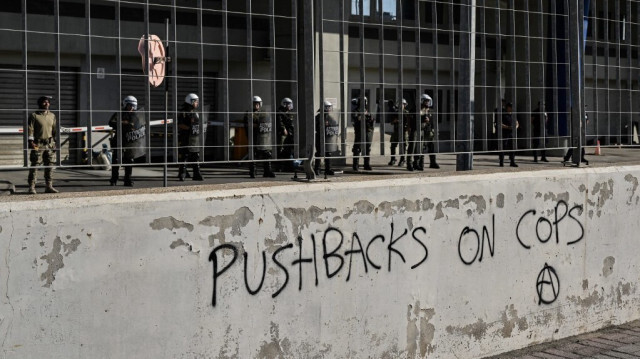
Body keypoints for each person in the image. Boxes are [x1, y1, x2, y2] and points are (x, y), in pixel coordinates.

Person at [108, 95, 147, 186]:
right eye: (129, 105)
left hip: (130, 141)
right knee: (116, 160)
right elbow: (110, 122)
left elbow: (138, 125)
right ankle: (114, 179)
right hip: (119, 139)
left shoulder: (135, 115)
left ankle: (127, 179)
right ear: (125, 105)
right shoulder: (119, 113)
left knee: (129, 160)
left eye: (133, 106)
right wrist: (123, 123)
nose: (131, 107)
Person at [27, 96, 58, 194]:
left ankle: (49, 186)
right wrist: (31, 142)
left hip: (49, 144)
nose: (47, 104)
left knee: (50, 165)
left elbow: (54, 130)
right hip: (38, 144)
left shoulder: (52, 116)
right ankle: (32, 187)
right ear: (40, 103)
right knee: (35, 165)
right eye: (44, 102)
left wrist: (55, 143)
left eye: (48, 102)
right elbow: (30, 129)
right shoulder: (34, 115)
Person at [245, 95, 275, 178]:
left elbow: (267, 122)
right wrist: (258, 125)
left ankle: (267, 171)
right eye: (254, 104)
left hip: (263, 137)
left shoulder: (264, 113)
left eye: (258, 104)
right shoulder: (249, 113)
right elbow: (249, 125)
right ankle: (253, 171)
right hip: (253, 136)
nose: (256, 105)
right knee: (253, 154)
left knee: (267, 153)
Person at [177, 93, 204, 181]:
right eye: (196, 101)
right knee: (184, 155)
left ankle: (196, 173)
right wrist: (189, 128)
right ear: (191, 101)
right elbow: (180, 125)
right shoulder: (184, 112)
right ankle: (182, 173)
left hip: (194, 138)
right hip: (185, 137)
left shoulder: (196, 112)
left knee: (195, 155)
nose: (197, 103)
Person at [314, 100, 340, 176]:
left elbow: (334, 125)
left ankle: (328, 169)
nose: (328, 109)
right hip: (320, 137)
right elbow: (315, 127)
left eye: (329, 107)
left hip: (328, 138)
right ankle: (317, 169)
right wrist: (323, 126)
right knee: (319, 153)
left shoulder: (330, 118)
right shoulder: (318, 117)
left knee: (328, 153)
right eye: (327, 107)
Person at [351, 96, 374, 171]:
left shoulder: (367, 111)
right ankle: (355, 165)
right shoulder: (356, 111)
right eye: (361, 102)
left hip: (367, 131)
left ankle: (366, 164)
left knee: (367, 148)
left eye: (364, 102)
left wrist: (368, 116)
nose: (363, 104)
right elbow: (356, 118)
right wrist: (363, 115)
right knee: (357, 149)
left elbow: (371, 120)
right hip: (359, 132)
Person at [420, 94, 440, 169]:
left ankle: (433, 162)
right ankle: (420, 163)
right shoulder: (420, 110)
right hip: (422, 131)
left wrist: (435, 130)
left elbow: (433, 122)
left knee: (431, 147)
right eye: (425, 101)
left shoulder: (430, 111)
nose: (427, 103)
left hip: (429, 131)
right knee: (421, 148)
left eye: (428, 101)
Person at [388, 99, 409, 167]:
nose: (401, 106)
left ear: (404, 105)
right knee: (393, 146)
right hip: (396, 131)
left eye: (402, 104)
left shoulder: (406, 113)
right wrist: (395, 120)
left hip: (403, 131)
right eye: (399, 104)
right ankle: (393, 159)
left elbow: (409, 122)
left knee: (403, 146)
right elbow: (391, 122)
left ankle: (402, 160)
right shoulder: (395, 112)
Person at [276, 97, 295, 170]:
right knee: (281, 149)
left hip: (289, 133)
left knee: (289, 149)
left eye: (290, 104)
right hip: (282, 133)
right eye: (288, 105)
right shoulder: (280, 112)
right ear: (284, 104)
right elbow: (279, 122)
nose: (290, 106)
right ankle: (279, 166)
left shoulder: (290, 113)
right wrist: (283, 129)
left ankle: (288, 166)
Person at [498, 102, 519, 167]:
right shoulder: (503, 115)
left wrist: (515, 127)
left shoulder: (513, 115)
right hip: (504, 133)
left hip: (511, 133)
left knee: (512, 147)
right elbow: (499, 124)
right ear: (508, 107)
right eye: (511, 107)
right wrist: (508, 127)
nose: (512, 108)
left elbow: (517, 123)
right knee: (503, 147)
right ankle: (501, 162)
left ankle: (512, 161)